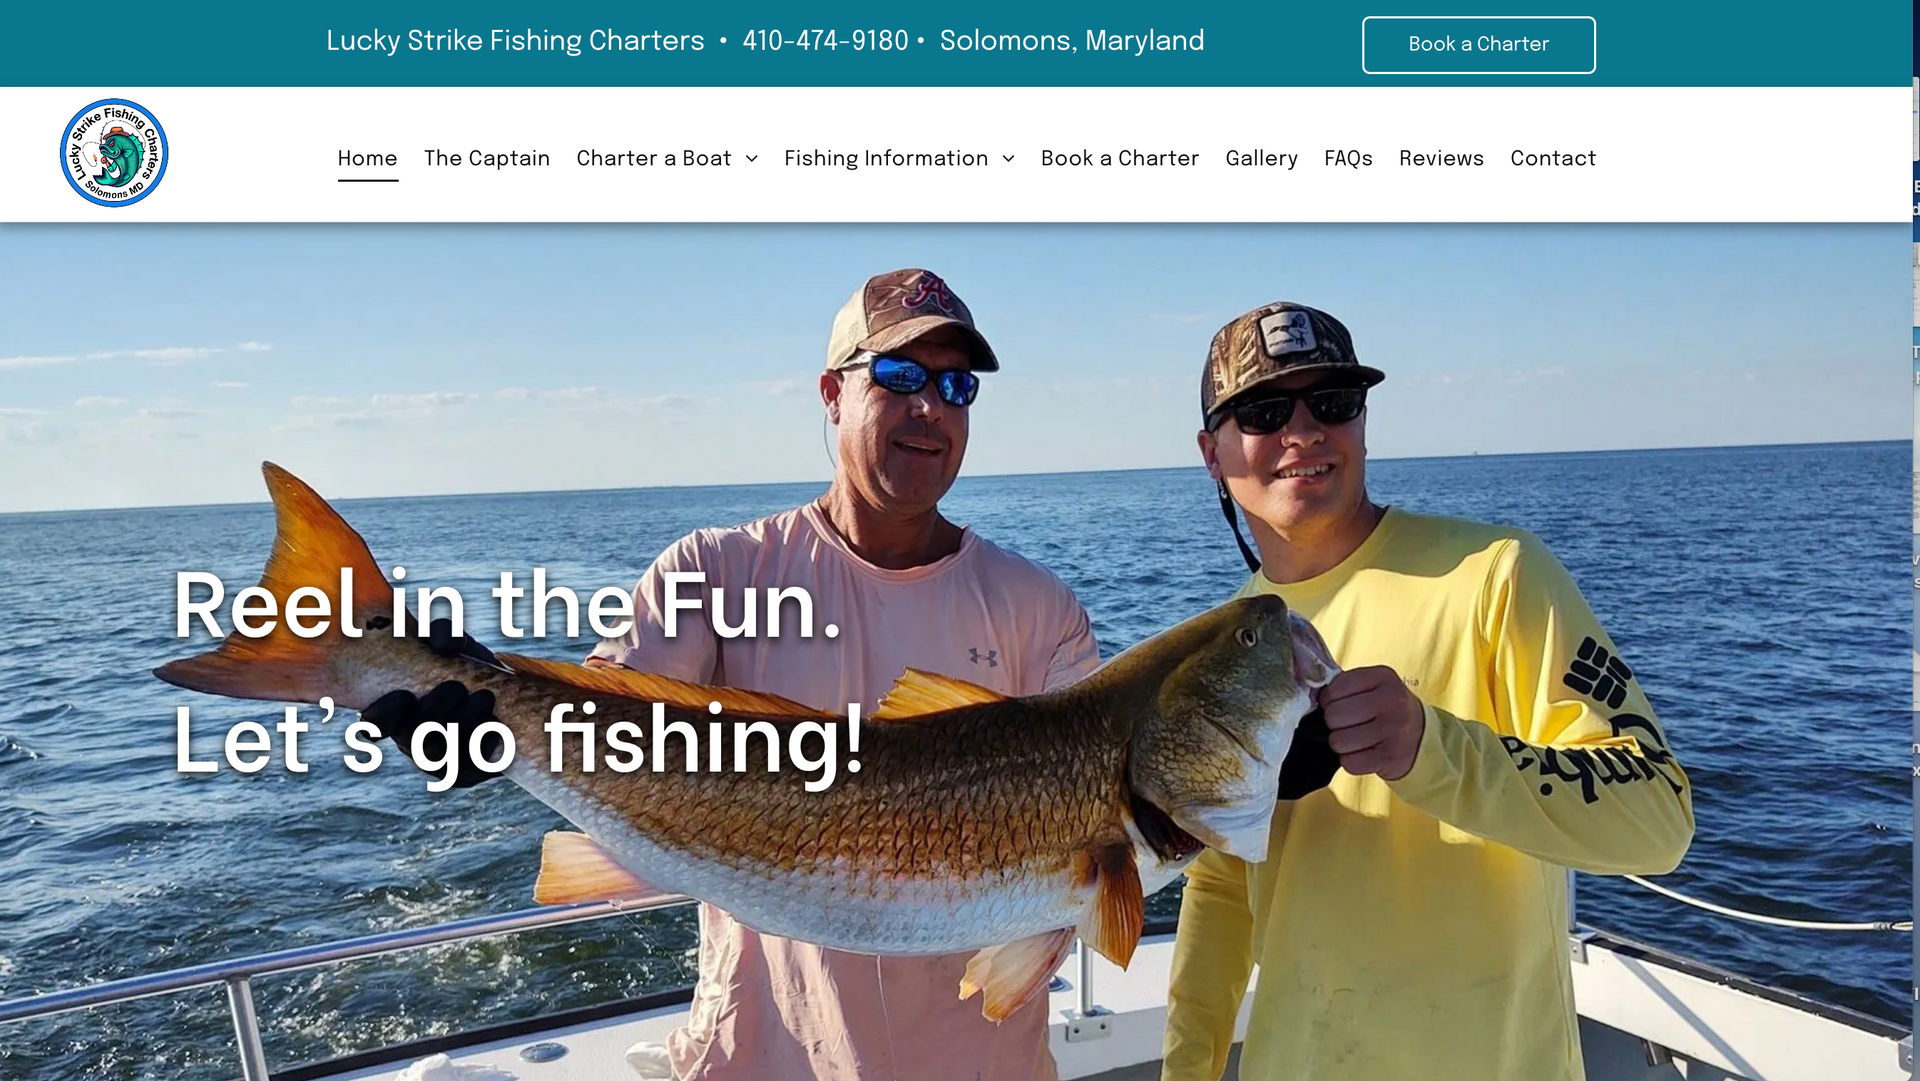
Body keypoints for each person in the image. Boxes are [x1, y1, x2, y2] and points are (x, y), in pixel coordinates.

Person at [370, 268, 1100, 1081]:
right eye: (899, 375)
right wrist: (477, 716)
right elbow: (597, 718)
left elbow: (1100, 843)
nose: (930, 406)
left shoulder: (1040, 608)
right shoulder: (715, 573)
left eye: (956, 385)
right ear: (833, 393)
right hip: (761, 1057)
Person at [1160, 302, 1694, 1081]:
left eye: (1333, 401)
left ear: (1363, 422)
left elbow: (1656, 815)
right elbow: (1219, 888)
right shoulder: (1218, 648)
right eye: (1264, 411)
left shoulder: (1498, 573)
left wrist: (1431, 748)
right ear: (1213, 453)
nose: (1303, 431)